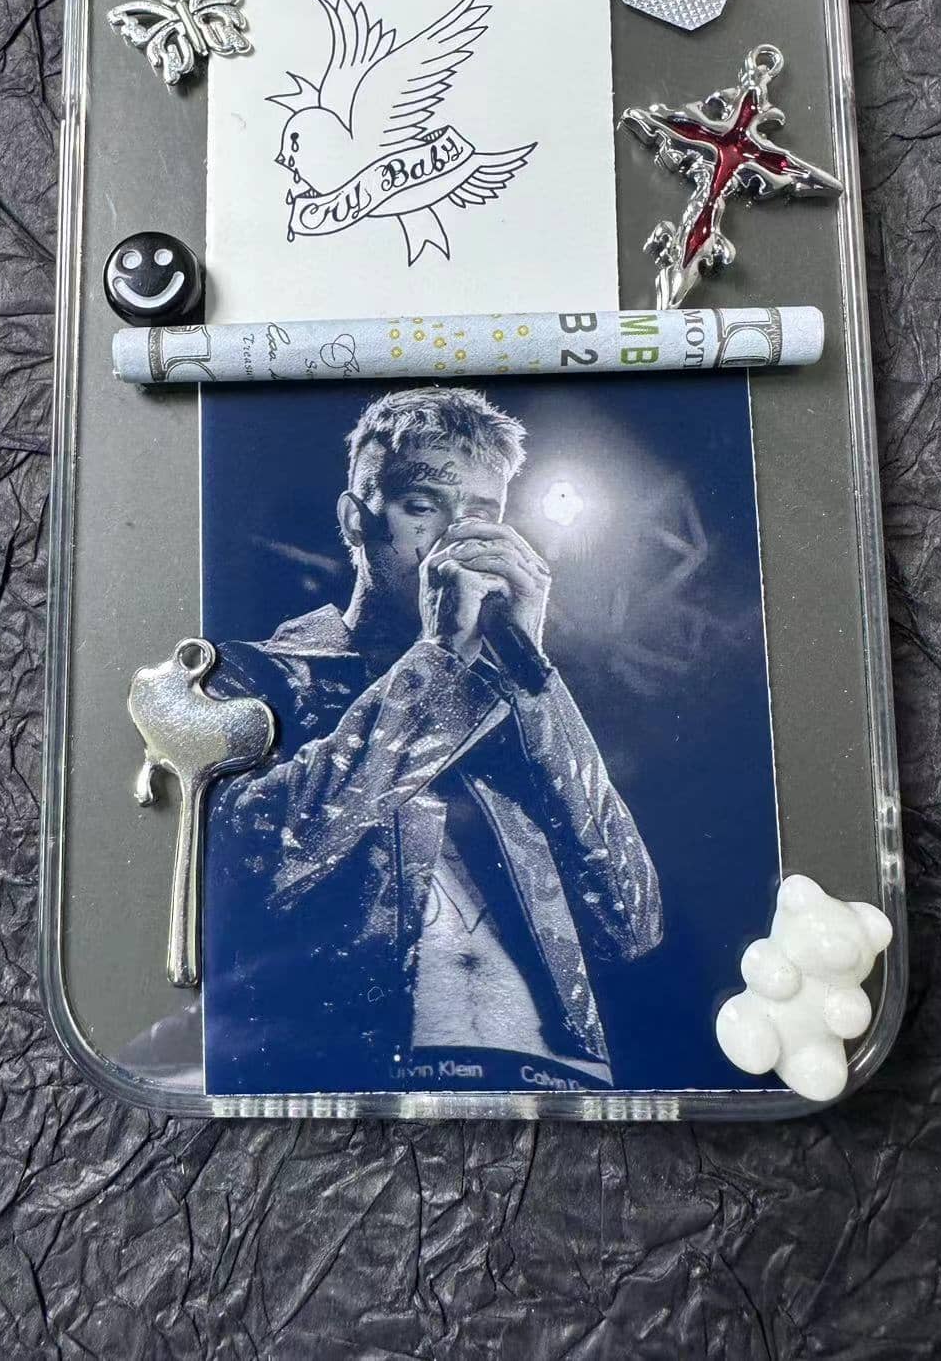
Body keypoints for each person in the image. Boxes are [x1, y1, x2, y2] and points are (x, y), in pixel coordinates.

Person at [206, 385, 662, 1093]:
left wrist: (532, 681)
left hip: (557, 1083)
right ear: (355, 519)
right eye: (424, 507)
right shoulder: (260, 674)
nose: (458, 541)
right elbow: (252, 860)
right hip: (364, 1087)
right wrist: (441, 656)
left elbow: (632, 921)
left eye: (481, 516)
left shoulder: (517, 706)